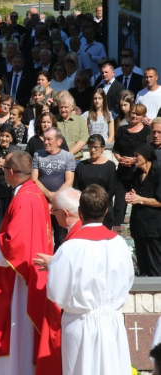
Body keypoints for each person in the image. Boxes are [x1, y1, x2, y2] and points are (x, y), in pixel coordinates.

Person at [0, 150, 62, 375]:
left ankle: (16, 368)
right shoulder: (34, 192)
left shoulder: (23, 198)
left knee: (18, 330)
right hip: (32, 270)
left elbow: (16, 244)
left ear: (11, 172)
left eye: (4, 169)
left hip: (21, 278)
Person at [40, 184, 134, 375]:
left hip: (79, 324)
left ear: (80, 212)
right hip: (112, 321)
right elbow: (128, 280)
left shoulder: (69, 248)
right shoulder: (120, 244)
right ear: (106, 210)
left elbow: (56, 293)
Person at [32, 127, 75, 250]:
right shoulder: (38, 154)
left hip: (61, 204)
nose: (46, 142)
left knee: (61, 239)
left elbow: (69, 181)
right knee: (41, 237)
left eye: (49, 139)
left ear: (59, 141)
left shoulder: (68, 157)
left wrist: (54, 198)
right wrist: (48, 195)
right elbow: (34, 178)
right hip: (41, 202)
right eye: (44, 139)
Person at [126, 143, 161, 276]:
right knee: (143, 268)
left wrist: (140, 199)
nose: (134, 158)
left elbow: (159, 201)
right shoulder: (136, 175)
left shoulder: (158, 174)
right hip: (138, 227)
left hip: (154, 229)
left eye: (137, 156)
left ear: (146, 156)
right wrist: (131, 197)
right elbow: (136, 196)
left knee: (156, 267)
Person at [112, 103, 150, 225]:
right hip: (122, 174)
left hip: (139, 174)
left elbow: (149, 154)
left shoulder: (147, 132)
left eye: (138, 114)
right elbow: (115, 149)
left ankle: (136, 237)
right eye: (133, 113)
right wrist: (120, 159)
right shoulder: (122, 129)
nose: (134, 116)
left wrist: (134, 160)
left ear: (143, 116)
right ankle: (116, 235)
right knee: (118, 207)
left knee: (138, 207)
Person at [73, 134, 116, 229]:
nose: (92, 150)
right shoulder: (81, 165)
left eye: (95, 147)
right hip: (85, 209)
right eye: (90, 147)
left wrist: (98, 203)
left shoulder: (110, 166)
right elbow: (76, 188)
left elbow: (111, 190)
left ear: (103, 148)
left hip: (104, 209)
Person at [56, 94, 89, 160]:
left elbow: (84, 139)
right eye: (61, 107)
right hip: (57, 159)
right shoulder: (54, 120)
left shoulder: (80, 120)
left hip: (76, 159)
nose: (63, 110)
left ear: (72, 107)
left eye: (66, 107)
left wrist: (69, 153)